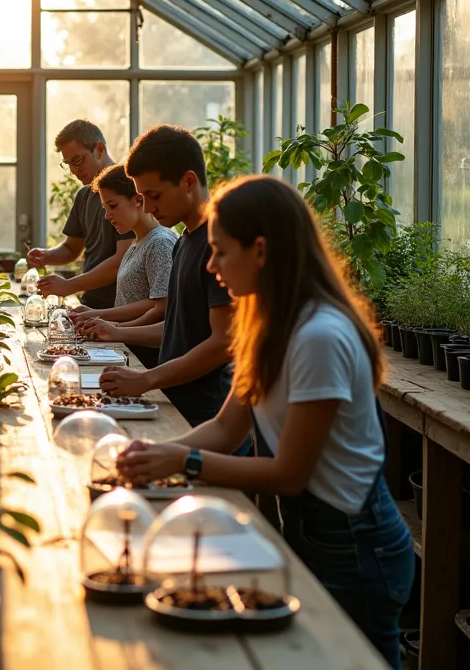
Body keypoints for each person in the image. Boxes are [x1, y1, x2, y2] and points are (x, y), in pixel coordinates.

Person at [117, 175, 413, 668]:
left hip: (353, 543)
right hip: (309, 527)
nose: (210, 266)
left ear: (260, 250)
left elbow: (288, 473)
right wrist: (154, 458)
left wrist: (183, 461)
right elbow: (228, 428)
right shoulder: (266, 324)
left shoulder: (318, 335)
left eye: (220, 252)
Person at [98, 125, 233, 427]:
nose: (146, 206)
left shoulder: (221, 246)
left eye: (153, 194)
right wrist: (117, 332)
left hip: (204, 416)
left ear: (188, 181)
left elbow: (221, 342)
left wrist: (146, 378)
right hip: (172, 402)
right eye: (141, 196)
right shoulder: (183, 241)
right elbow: (176, 329)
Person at [71, 163, 177, 369]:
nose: (107, 216)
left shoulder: (160, 242)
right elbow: (139, 301)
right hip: (130, 349)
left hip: (147, 358)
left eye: (113, 206)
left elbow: (160, 307)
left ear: (138, 200)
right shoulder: (138, 243)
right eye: (105, 208)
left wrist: (116, 328)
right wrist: (95, 314)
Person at [28, 119, 132, 310]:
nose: (74, 170)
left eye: (78, 160)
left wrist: (69, 285)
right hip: (91, 303)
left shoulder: (126, 186)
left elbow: (123, 260)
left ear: (99, 150)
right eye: (68, 164)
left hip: (120, 309)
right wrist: (45, 255)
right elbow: (71, 249)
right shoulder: (84, 195)